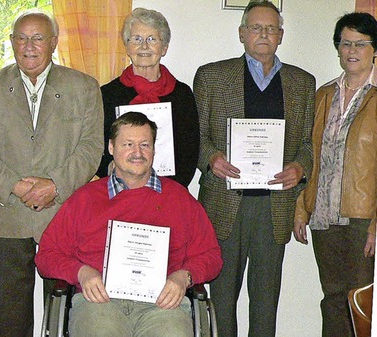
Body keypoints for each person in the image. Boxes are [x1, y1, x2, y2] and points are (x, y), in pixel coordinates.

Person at [36, 112, 222, 336]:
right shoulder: (85, 198)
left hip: (163, 306)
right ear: (112, 147)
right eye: (128, 144)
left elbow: (211, 256)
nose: (137, 153)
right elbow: (47, 255)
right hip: (99, 303)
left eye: (145, 144)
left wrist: (184, 276)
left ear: (154, 149)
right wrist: (81, 273)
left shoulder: (180, 199)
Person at [0, 9, 103, 337]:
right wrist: (16, 186)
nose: (28, 45)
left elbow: (91, 149)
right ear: (11, 42)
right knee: (9, 317)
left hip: (63, 215)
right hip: (9, 214)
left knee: (65, 313)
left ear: (54, 43)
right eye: (21, 38)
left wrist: (55, 185)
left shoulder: (84, 87)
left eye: (38, 38)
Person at [193, 1, 315, 336]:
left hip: (274, 207)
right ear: (242, 33)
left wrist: (299, 168)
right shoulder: (212, 76)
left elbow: (307, 144)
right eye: (256, 28)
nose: (264, 34)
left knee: (265, 304)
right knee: (220, 299)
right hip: (223, 203)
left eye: (271, 28)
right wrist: (212, 158)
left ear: (281, 35)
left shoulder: (302, 82)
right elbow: (197, 136)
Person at [293, 12, 377, 337]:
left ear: (374, 49)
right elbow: (307, 153)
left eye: (360, 43)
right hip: (324, 214)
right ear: (337, 48)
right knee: (332, 299)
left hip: (362, 219)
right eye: (345, 43)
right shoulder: (323, 95)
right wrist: (302, 207)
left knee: (362, 301)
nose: (351, 50)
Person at [97, 8, 199, 188]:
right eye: (136, 39)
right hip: (119, 190)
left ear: (164, 47)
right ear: (127, 47)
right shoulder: (107, 94)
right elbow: (98, 148)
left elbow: (190, 153)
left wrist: (169, 190)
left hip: (168, 193)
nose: (144, 46)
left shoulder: (182, 95)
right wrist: (111, 170)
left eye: (152, 39)